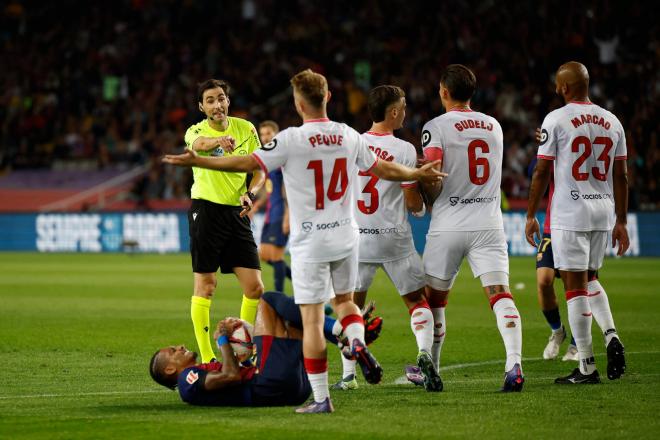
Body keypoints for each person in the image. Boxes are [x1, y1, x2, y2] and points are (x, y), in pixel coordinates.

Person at [163, 69, 445, 413]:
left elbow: (246, 161)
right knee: (345, 304)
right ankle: (355, 340)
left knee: (311, 320)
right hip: (346, 236)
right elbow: (382, 169)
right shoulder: (348, 135)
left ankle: (323, 398)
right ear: (327, 97)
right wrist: (416, 172)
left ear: (298, 103)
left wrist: (200, 160)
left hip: (311, 239)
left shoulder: (291, 139)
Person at [420, 64, 524, 392]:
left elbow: (433, 177)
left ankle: (432, 368)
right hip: (489, 224)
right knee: (500, 294)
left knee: (433, 300)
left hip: (449, 223)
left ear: (444, 92)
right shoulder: (494, 126)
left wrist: (421, 185)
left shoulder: (435, 126)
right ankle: (514, 364)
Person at [331, 85, 441, 392]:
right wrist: (421, 209)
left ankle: (349, 376)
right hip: (394, 238)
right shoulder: (404, 150)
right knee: (417, 302)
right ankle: (422, 351)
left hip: (357, 239)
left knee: (350, 308)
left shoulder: (351, 143)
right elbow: (412, 202)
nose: (405, 111)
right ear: (392, 113)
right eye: (403, 107)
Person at [526, 61, 628, 384]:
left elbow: (542, 171)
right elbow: (621, 175)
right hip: (603, 212)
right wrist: (622, 221)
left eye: (559, 85)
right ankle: (610, 333)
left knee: (574, 288)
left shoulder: (556, 119)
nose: (557, 90)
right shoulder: (613, 122)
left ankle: (586, 365)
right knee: (591, 278)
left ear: (566, 87)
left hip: (570, 212)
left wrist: (530, 214)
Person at [149, 291, 380, 407]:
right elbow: (230, 376)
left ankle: (344, 340)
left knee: (292, 319)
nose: (179, 347)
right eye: (172, 351)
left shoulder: (199, 373)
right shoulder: (187, 382)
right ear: (170, 369)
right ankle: (343, 331)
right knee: (268, 300)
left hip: (294, 389)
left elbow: (236, 378)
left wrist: (247, 357)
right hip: (271, 384)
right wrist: (222, 340)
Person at [184, 79, 265, 364]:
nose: (216, 104)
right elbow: (199, 144)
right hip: (206, 211)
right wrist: (218, 141)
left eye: (221, 98)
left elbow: (259, 170)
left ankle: (245, 353)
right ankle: (207, 358)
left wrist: (250, 193)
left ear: (228, 101)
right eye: (210, 100)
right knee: (206, 285)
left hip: (237, 212)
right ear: (201, 107)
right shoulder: (196, 131)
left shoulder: (246, 129)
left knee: (254, 287)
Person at [531, 138, 623, 362]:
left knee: (579, 284)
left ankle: (577, 346)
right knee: (544, 280)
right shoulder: (557, 147)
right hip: (555, 225)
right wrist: (544, 146)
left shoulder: (585, 148)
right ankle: (557, 332)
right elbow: (537, 172)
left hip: (581, 222)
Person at [256, 120, 292, 292]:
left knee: (276, 257)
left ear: (276, 134)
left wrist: (287, 215)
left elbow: (287, 188)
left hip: (280, 214)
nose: (264, 137)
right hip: (271, 214)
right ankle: (301, 283)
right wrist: (256, 206)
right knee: (264, 255)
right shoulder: (270, 159)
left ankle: (279, 297)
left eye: (268, 133)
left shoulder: (282, 158)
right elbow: (269, 189)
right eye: (262, 134)